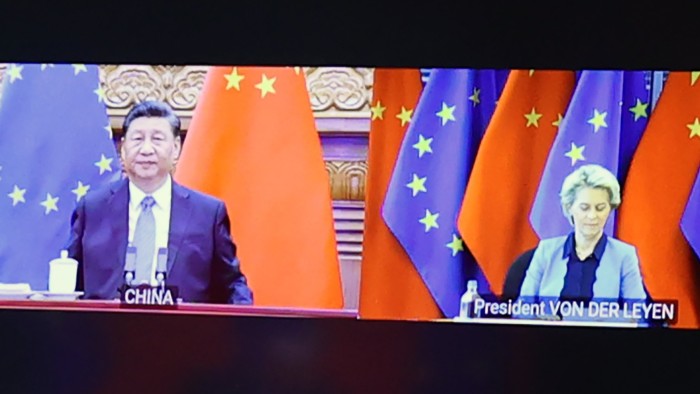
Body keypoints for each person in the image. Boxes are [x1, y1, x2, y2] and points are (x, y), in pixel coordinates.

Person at [65, 100, 253, 304]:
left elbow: (232, 283)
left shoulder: (207, 213)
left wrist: (242, 325)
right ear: (123, 149)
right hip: (104, 331)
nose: (146, 149)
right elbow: (68, 280)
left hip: (184, 331)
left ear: (175, 149)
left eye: (157, 139)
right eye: (137, 139)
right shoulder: (92, 209)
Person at [518, 164, 647, 313]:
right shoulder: (546, 250)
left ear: (610, 209)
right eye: (584, 208)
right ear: (569, 208)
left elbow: (639, 315)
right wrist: (539, 319)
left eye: (600, 208)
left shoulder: (624, 255)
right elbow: (521, 309)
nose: (592, 216)